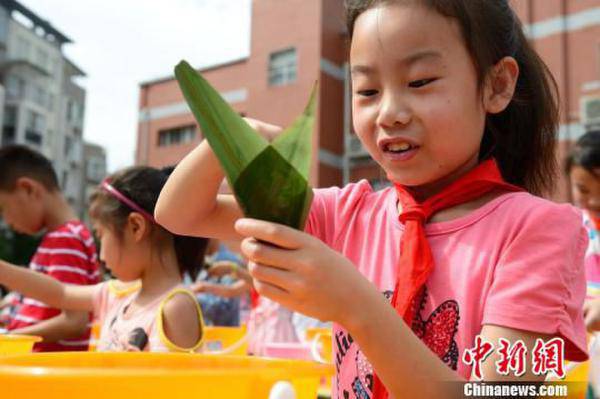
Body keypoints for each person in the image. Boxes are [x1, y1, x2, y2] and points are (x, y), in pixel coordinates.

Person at [155, 1, 588, 397]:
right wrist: (231, 137)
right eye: (367, 91)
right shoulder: (345, 213)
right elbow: (179, 214)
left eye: (419, 81)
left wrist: (356, 305)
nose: (389, 113)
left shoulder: (539, 231)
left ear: (497, 85)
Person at [0, 166, 207, 352]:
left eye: (101, 235)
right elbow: (60, 293)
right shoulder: (118, 293)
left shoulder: (175, 307)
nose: (101, 255)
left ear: (136, 227)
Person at [0, 145, 99, 351]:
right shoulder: (58, 238)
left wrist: (11, 338)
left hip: (48, 372)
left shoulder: (66, 239)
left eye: (3, 209)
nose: (6, 221)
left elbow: (75, 321)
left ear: (28, 189)